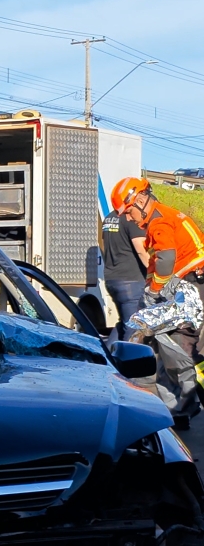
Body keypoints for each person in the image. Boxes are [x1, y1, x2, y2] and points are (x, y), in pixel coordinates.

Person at [115, 176, 204, 426]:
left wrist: (154, 290)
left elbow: (166, 259)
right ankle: (177, 407)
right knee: (169, 343)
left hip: (190, 283)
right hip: (191, 281)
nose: (129, 218)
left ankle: (184, 406)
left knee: (176, 344)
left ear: (141, 199)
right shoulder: (163, 216)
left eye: (129, 211)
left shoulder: (159, 222)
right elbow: (160, 262)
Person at [101, 188, 147, 339]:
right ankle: (127, 361)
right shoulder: (131, 218)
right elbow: (141, 249)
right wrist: (153, 270)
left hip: (112, 279)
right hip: (131, 281)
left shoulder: (108, 218)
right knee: (133, 328)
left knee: (124, 324)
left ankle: (107, 358)